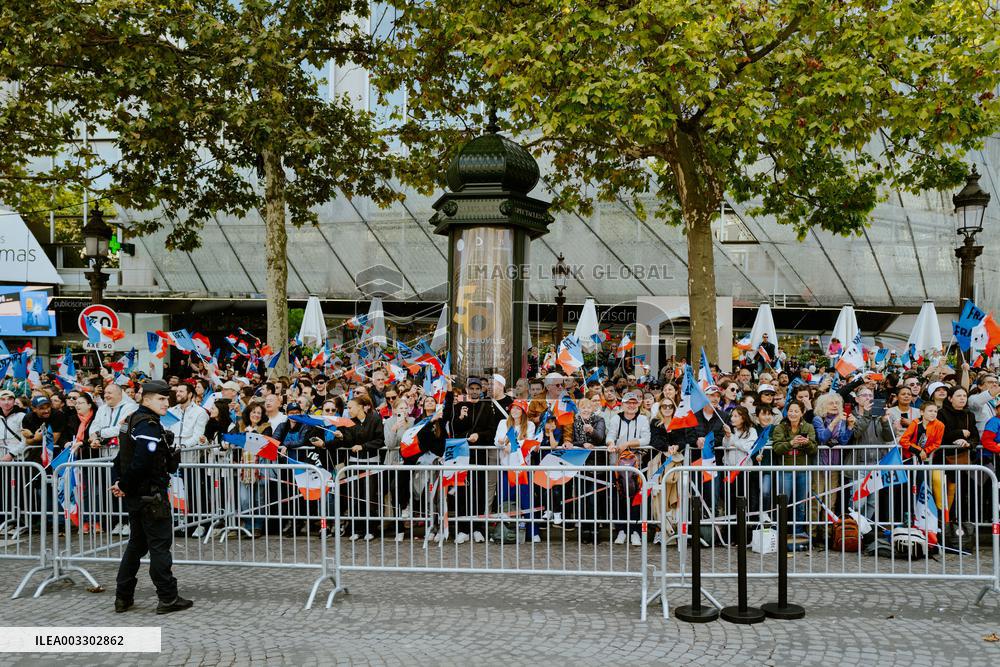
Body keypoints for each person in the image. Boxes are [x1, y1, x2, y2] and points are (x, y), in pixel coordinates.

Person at [111, 380, 193, 615]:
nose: (167, 403)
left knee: (136, 545)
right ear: (146, 399)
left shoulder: (130, 420)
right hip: (150, 496)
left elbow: (120, 458)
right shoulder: (147, 424)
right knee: (159, 547)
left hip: (137, 495)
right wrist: (123, 484)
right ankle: (167, 597)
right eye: (161, 398)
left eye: (167, 398)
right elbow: (141, 461)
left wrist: (120, 482)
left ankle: (123, 597)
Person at [334, 395, 384, 540]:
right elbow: (349, 440)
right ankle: (357, 529)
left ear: (360, 407)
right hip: (353, 463)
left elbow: (380, 440)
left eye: (350, 407)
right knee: (354, 496)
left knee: (369, 497)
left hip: (371, 462)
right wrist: (341, 436)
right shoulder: (349, 422)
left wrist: (363, 446)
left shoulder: (375, 419)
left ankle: (371, 529)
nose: (348, 410)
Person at [605, 391, 650, 546]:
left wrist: (628, 443)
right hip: (618, 464)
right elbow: (610, 435)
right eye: (628, 403)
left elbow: (646, 439)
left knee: (636, 497)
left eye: (634, 403)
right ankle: (621, 530)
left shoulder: (643, 419)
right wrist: (611, 443)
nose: (631, 406)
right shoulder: (616, 418)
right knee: (619, 497)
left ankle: (636, 531)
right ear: (622, 404)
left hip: (637, 465)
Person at [771, 400, 818, 537]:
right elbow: (777, 448)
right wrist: (791, 443)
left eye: (796, 411)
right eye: (790, 410)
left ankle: (798, 533)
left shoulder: (808, 427)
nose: (793, 413)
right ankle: (781, 532)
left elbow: (814, 449)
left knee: (800, 503)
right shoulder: (780, 427)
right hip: (785, 470)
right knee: (783, 502)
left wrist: (807, 443)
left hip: (803, 469)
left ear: (802, 412)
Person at [0, 388, 26, 462]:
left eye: (10, 399)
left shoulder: (22, 416)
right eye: (3, 399)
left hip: (18, 459)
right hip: (1, 459)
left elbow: (26, 440)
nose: (6, 402)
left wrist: (11, 454)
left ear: (14, 401)